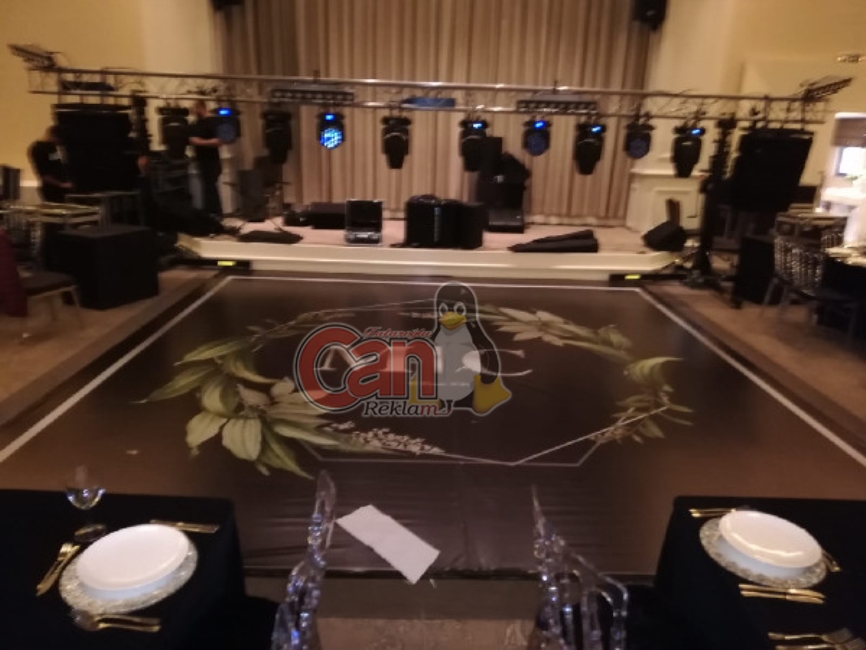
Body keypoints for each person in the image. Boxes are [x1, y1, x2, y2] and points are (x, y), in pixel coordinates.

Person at [189, 100, 224, 219]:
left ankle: (216, 213)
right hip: (201, 159)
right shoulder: (197, 123)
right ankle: (208, 213)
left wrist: (199, 142)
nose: (192, 111)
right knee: (206, 186)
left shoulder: (213, 121)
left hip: (212, 160)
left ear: (200, 107)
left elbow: (219, 141)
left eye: (193, 108)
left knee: (211, 186)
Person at [28, 126, 72, 203]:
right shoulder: (39, 149)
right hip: (52, 189)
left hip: (60, 186)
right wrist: (62, 184)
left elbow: (56, 165)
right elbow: (44, 174)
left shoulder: (52, 148)